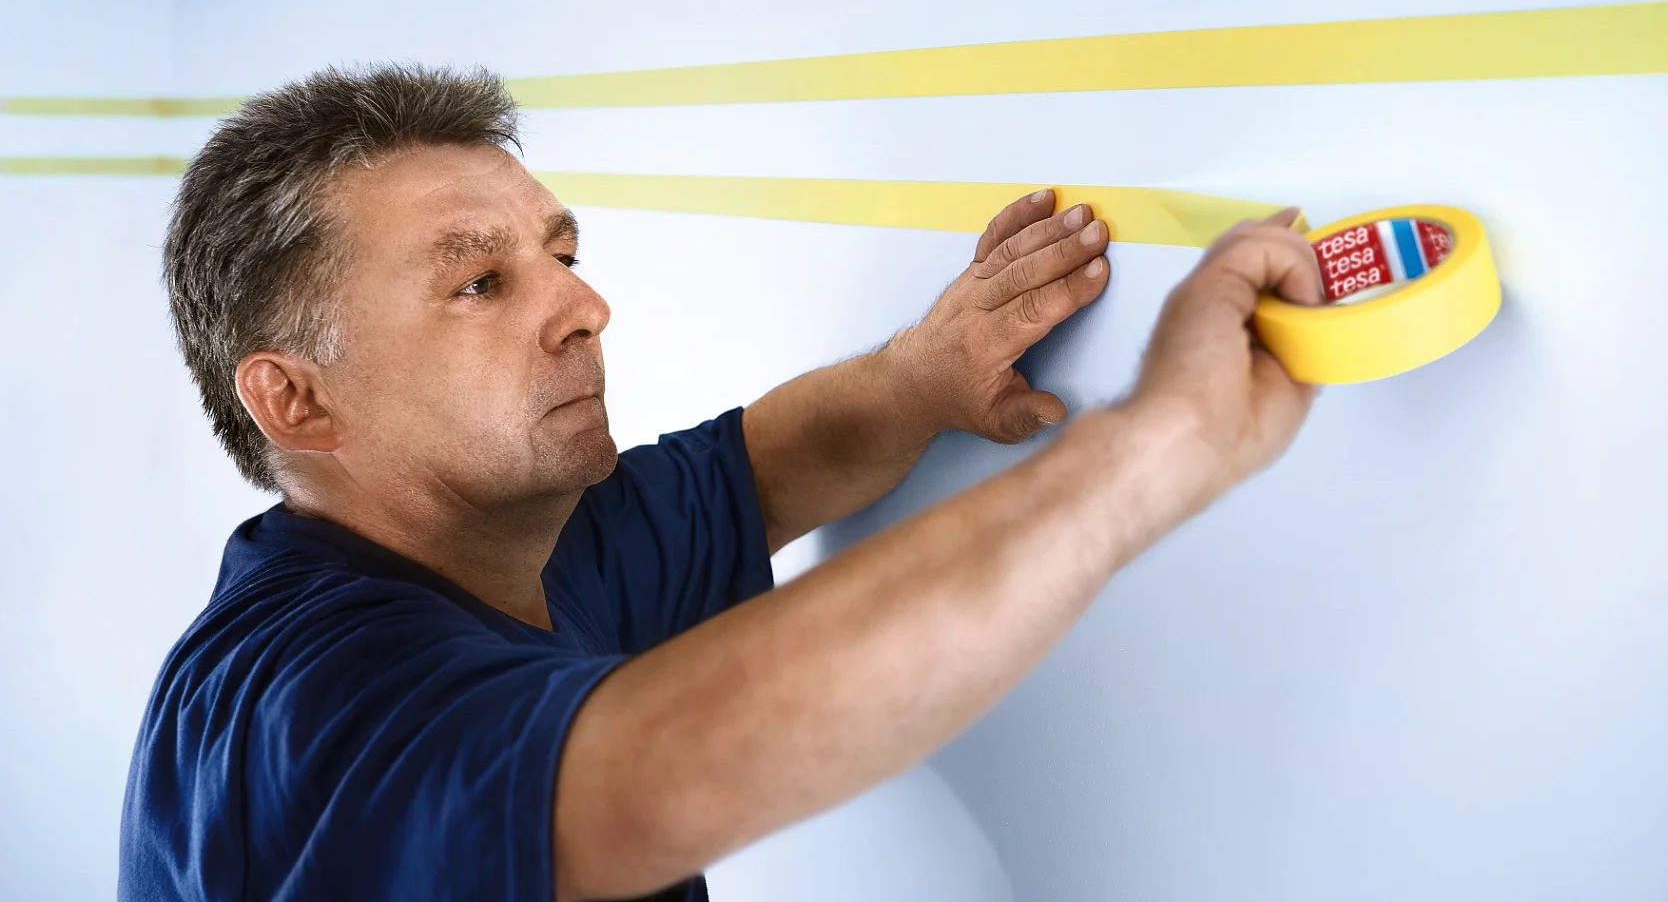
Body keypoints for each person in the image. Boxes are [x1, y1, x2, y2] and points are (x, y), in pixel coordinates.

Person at [119, 64, 1323, 902]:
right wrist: (1154, 442)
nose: (584, 308)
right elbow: (639, 780)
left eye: (563, 254)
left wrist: (921, 375)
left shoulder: (521, 541)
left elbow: (755, 469)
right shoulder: (296, 702)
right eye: (480, 284)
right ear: (296, 399)